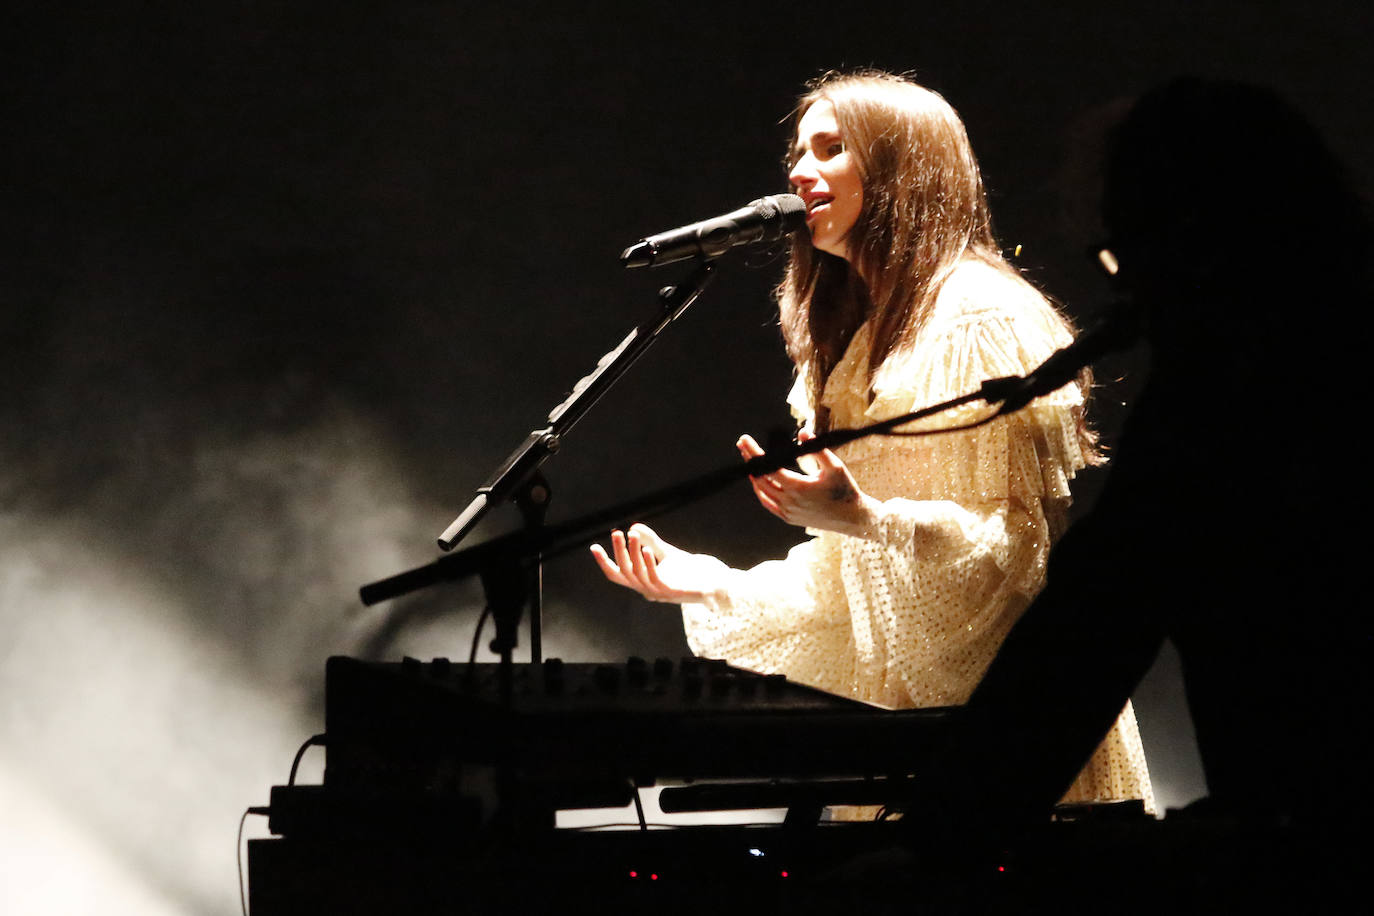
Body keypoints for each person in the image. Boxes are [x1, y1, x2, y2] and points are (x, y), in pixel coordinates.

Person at [591, 71, 1154, 813]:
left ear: (899, 169)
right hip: (904, 749)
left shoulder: (981, 318)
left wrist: (864, 518)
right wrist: (711, 582)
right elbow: (850, 588)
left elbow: (1015, 562)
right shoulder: (857, 340)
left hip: (1015, 752)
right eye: (797, 152)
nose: (799, 171)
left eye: (830, 149)